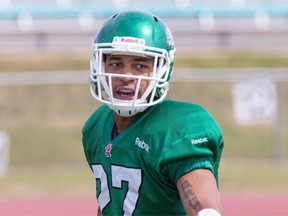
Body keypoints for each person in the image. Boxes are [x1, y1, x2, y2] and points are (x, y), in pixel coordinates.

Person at [82, 10, 224, 216]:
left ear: (162, 71)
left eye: (140, 65)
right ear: (99, 65)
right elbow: (112, 202)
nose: (126, 75)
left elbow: (202, 205)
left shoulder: (177, 128)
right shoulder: (95, 127)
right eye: (116, 63)